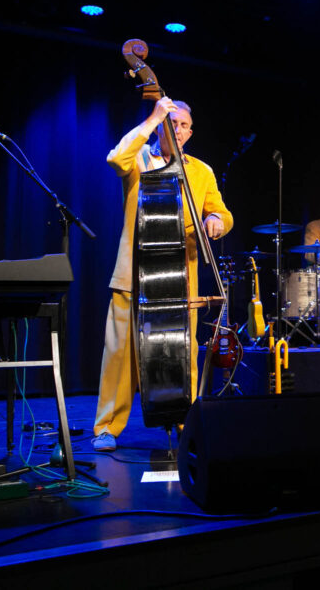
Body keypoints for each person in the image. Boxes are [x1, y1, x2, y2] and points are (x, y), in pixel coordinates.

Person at [92, 97, 233, 451]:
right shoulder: (139, 158)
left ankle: (185, 420)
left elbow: (222, 212)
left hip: (181, 275)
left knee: (184, 351)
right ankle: (107, 426)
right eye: (173, 123)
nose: (180, 130)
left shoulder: (201, 171)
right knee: (120, 353)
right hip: (134, 270)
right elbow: (115, 157)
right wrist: (153, 119)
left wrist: (217, 221)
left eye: (185, 125)